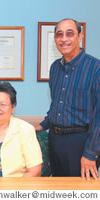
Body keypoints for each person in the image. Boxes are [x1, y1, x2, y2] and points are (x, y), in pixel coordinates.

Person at [35, 18, 100, 180]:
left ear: (80, 36)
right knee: (58, 190)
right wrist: (40, 126)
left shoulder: (95, 68)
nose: (64, 39)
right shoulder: (55, 68)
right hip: (55, 140)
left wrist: (90, 153)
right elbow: (56, 106)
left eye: (70, 33)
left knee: (81, 193)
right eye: (59, 34)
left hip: (82, 142)